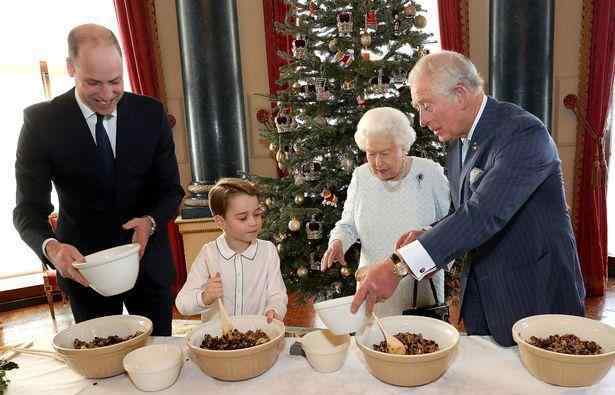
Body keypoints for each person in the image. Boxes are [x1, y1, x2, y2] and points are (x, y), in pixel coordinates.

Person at [351, 51, 586, 347]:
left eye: (426, 106)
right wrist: (430, 232)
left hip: (535, 296)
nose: (422, 120)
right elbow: (465, 210)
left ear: (460, 94)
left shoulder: (524, 134)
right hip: (484, 300)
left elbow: (482, 215)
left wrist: (399, 266)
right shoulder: (458, 141)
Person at [13, 24, 184, 336]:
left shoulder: (151, 113)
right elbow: (27, 210)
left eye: (115, 82)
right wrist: (52, 249)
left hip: (148, 268)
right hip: (84, 273)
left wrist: (150, 221)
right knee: (103, 373)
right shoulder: (41, 123)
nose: (107, 95)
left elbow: (171, 190)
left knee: (159, 367)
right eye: (93, 83)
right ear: (70, 68)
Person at [321, 107, 450, 317]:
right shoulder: (361, 176)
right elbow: (348, 224)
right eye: (371, 154)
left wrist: (433, 256)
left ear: (403, 148)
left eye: (385, 153)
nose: (378, 163)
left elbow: (450, 226)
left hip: (418, 291)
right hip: (372, 288)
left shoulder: (429, 172)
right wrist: (338, 242)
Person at [175, 178, 287, 323]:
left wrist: (274, 310)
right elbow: (182, 304)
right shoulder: (209, 253)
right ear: (220, 222)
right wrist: (205, 297)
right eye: (243, 218)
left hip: (256, 336)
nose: (253, 222)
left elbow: (277, 295)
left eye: (257, 214)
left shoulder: (268, 251)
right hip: (218, 340)